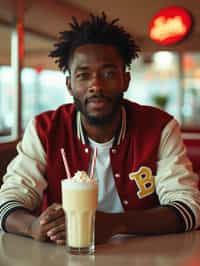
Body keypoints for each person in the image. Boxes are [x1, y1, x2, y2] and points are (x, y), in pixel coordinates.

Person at [0, 12, 200, 245]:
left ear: (125, 80)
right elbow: (8, 202)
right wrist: (33, 226)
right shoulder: (45, 129)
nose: (95, 85)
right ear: (70, 85)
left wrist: (115, 224)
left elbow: (188, 207)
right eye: (84, 75)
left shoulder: (160, 127)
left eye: (108, 73)